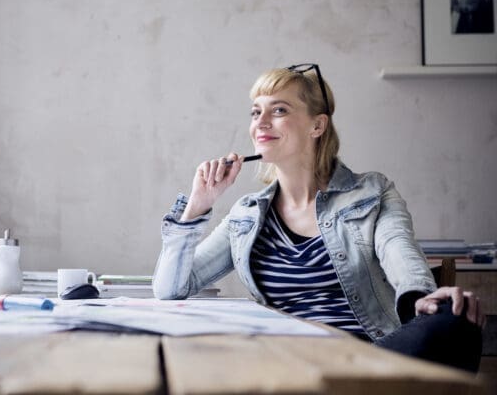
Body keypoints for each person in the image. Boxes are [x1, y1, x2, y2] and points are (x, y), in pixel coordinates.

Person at [153, 64, 484, 372]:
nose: (261, 122)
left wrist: (422, 294)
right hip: (287, 363)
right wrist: (197, 205)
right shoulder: (246, 215)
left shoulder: (371, 191)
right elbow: (169, 289)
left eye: (279, 110)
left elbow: (400, 251)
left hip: (371, 356)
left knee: (455, 319)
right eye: (256, 112)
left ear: (317, 125)